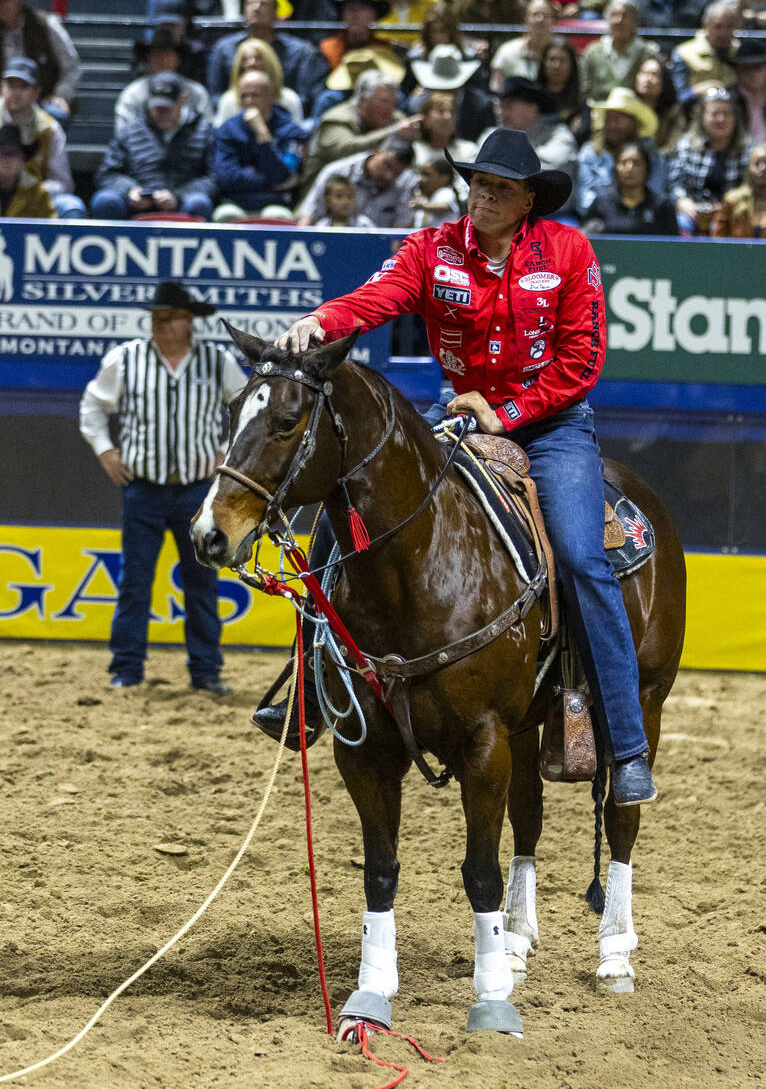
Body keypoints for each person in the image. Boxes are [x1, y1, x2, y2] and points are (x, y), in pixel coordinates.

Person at [256, 126, 659, 808]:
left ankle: (625, 747)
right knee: (345, 509)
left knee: (583, 558)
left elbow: (582, 361)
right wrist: (321, 322)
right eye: (477, 184)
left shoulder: (568, 251)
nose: (483, 197)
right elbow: (372, 299)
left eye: (500, 188)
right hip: (461, 419)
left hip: (553, 428)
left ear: (530, 198)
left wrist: (510, 411)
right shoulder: (431, 249)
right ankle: (307, 692)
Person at [79, 280, 247, 693]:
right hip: (144, 488)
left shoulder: (217, 361)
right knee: (135, 584)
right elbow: (92, 407)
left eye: (168, 318)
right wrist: (105, 451)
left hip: (198, 492)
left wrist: (227, 451)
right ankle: (127, 670)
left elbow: (246, 406)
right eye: (156, 318)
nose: (160, 325)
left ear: (189, 321)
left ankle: (206, 672)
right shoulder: (127, 358)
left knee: (202, 585)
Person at [91, 71, 217, 220]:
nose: (161, 113)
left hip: (182, 203)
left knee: (199, 202)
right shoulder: (130, 130)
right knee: (105, 200)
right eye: (157, 107)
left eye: (167, 108)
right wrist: (130, 190)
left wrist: (178, 196)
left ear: (182, 100)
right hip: (137, 204)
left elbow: (214, 178)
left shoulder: (204, 131)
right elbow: (107, 174)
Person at [205, 0, 329, 112]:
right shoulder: (224, 48)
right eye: (251, 3)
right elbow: (215, 96)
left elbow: (304, 98)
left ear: (276, 12)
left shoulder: (300, 51)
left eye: (263, 4)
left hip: (284, 117)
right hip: (235, 117)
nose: (256, 8)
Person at [301, 68, 421, 188]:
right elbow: (345, 150)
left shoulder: (396, 119)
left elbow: (408, 161)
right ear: (363, 101)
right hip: (325, 193)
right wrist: (392, 132)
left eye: (394, 103)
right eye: (384, 101)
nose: (390, 109)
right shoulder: (337, 118)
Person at [213, 68, 307, 219]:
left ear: (272, 96)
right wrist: (269, 181)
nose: (248, 101)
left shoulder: (292, 132)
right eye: (243, 96)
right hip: (236, 202)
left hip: (276, 203)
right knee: (225, 214)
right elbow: (226, 177)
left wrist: (263, 135)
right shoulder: (227, 130)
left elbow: (283, 175)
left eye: (255, 95)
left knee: (276, 215)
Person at [0, 56, 86, 218]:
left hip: (35, 202)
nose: (15, 93)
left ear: (36, 92)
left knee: (70, 206)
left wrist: (31, 189)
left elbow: (64, 183)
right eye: (11, 86)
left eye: (23, 87)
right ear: (2, 87)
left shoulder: (50, 128)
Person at [0, 0, 81, 133]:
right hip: (2, 103)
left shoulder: (45, 25)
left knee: (56, 114)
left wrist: (61, 95)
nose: (1, 5)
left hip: (41, 101)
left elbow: (71, 66)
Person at [667, 85, 750, 235]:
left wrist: (729, 207)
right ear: (702, 118)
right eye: (714, 114)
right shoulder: (685, 146)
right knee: (679, 223)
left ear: (735, 118)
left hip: (735, 213)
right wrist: (683, 202)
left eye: (726, 114)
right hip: (694, 213)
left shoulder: (750, 150)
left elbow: (752, 189)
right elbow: (674, 184)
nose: (721, 119)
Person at [294, 134, 419, 227]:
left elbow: (401, 230)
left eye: (397, 173)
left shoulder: (408, 182)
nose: (388, 176)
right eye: (387, 165)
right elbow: (309, 217)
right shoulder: (337, 172)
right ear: (377, 152)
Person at [577, 85, 663, 215]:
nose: (611, 125)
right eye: (608, 120)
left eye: (617, 120)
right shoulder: (590, 153)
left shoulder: (652, 155)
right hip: (601, 218)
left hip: (643, 219)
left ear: (633, 123)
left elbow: (656, 196)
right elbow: (584, 201)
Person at [116, 25, 213, 136]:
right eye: (156, 55)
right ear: (148, 58)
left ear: (178, 58)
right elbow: (123, 135)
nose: (162, 59)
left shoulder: (197, 92)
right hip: (142, 151)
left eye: (167, 55)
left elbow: (208, 133)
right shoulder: (132, 94)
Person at [582, 140, 678, 234]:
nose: (629, 168)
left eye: (636, 163)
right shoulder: (601, 203)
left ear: (647, 169)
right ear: (616, 168)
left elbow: (673, 246)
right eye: (623, 163)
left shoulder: (662, 205)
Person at [579, 0, 658, 104]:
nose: (619, 21)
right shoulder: (593, 52)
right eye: (614, 15)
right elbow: (584, 91)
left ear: (635, 23)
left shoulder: (648, 54)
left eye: (625, 16)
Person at [213, 37, 305, 126]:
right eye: (245, 59)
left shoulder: (289, 99)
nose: (252, 63)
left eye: (258, 58)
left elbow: (297, 137)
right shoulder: (229, 100)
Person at [670, 1, 739, 108]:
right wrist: (699, 90)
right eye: (718, 26)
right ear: (705, 25)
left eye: (729, 27)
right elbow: (678, 98)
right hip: (694, 113)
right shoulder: (684, 53)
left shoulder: (740, 51)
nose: (724, 33)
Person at [491, 0, 556, 89]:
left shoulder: (562, 54)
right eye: (535, 14)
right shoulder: (507, 52)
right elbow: (496, 90)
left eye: (546, 15)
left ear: (554, 21)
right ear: (525, 20)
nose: (540, 19)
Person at [711, 140, 766, 237]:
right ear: (748, 167)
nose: (762, 168)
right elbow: (717, 240)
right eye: (757, 163)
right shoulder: (732, 200)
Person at [0, 122, 55, 218]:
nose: (6, 159)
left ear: (22, 158)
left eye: (12, 153)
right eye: (1, 153)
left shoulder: (38, 195)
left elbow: (50, 229)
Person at [633, 54, 685, 153]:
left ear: (664, 81)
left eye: (654, 74)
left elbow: (673, 145)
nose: (647, 79)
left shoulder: (673, 112)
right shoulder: (627, 108)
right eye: (643, 73)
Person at [409, 153, 463, 225]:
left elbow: (443, 207)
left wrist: (422, 206)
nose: (421, 178)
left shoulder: (446, 192)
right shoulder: (424, 196)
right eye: (421, 174)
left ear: (444, 178)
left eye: (427, 174)